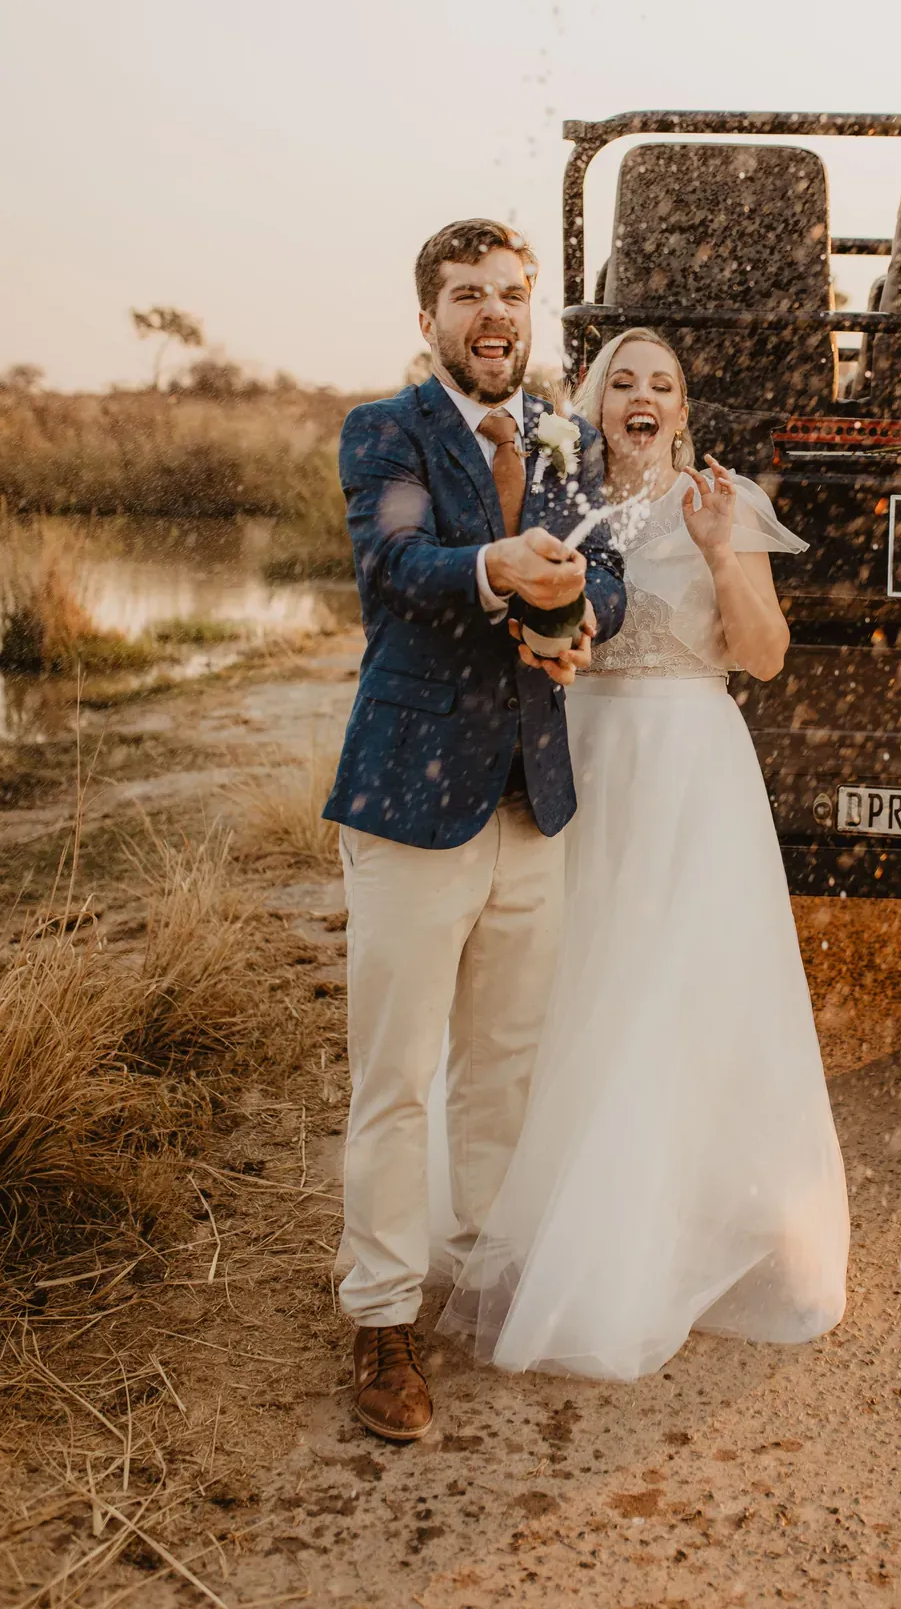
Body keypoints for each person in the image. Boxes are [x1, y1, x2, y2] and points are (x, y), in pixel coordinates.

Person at [439, 329, 850, 1379]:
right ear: (590, 402)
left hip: (685, 770)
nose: (641, 396)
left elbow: (761, 655)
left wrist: (718, 549)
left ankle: (663, 1229)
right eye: (620, 380)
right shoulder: (554, 504)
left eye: (661, 383)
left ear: (682, 408)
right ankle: (547, 1218)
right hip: (577, 764)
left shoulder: (721, 500)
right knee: (563, 989)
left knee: (677, 992)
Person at [323, 220, 626, 1440]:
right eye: (467, 297)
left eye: (509, 294)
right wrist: (499, 569)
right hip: (409, 803)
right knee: (394, 1078)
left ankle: (487, 1274)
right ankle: (382, 1315)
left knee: (503, 1064)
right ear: (429, 320)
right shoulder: (384, 432)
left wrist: (579, 614)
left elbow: (601, 573)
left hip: (530, 801)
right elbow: (393, 560)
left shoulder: (566, 436)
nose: (493, 314)